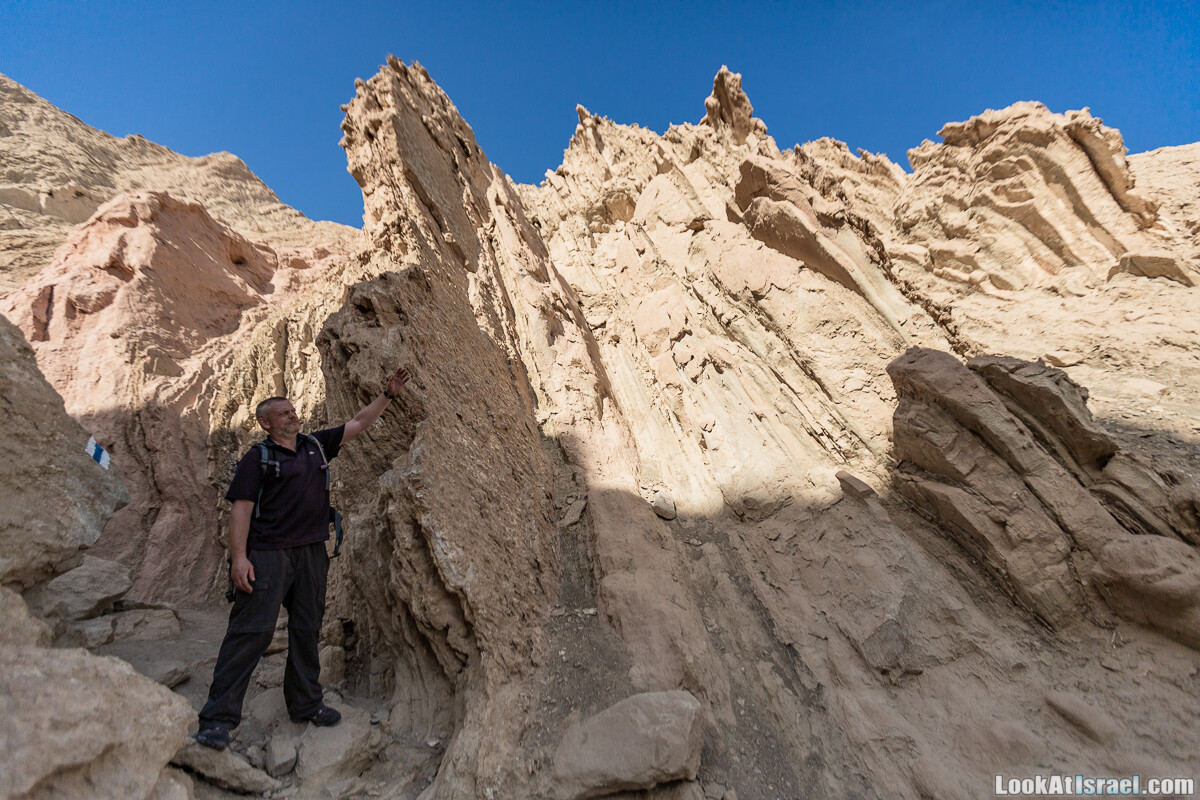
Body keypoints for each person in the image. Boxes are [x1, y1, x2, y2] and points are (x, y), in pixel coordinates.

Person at [194, 366, 411, 750]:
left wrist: (388, 394)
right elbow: (241, 510)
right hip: (268, 555)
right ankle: (217, 720)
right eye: (283, 413)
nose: (293, 415)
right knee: (251, 633)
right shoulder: (257, 458)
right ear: (265, 423)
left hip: (312, 551)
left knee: (307, 629)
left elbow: (359, 423)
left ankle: (306, 703)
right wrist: (239, 559)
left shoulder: (315, 445)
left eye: (293, 411)